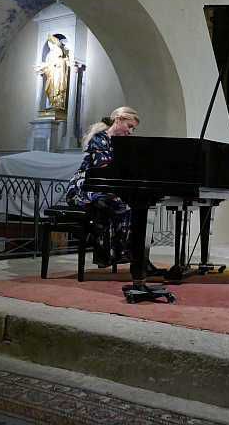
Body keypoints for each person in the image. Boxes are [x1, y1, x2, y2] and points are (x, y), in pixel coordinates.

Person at [66, 107, 160, 277]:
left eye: (133, 128)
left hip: (107, 187)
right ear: (118, 119)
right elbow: (102, 167)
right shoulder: (99, 139)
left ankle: (139, 258)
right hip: (84, 188)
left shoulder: (123, 143)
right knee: (121, 206)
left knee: (139, 210)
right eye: (129, 126)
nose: (131, 132)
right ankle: (125, 254)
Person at [36, 35, 70, 112]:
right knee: (48, 89)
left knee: (57, 89)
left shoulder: (58, 54)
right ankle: (52, 103)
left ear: (54, 44)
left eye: (50, 44)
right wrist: (43, 68)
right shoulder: (49, 55)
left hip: (57, 76)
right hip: (51, 76)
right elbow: (48, 66)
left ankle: (58, 103)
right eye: (48, 44)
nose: (49, 46)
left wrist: (47, 65)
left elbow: (60, 64)